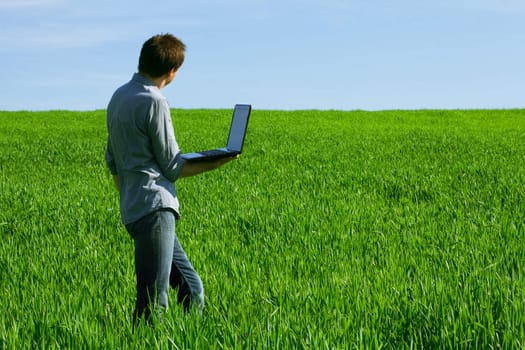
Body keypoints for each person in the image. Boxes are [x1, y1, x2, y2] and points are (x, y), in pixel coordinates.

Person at [105, 33, 237, 327]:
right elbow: (173, 166)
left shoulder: (118, 97)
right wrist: (217, 161)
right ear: (172, 71)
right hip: (155, 209)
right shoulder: (154, 101)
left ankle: (192, 340)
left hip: (134, 208)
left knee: (192, 288)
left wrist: (127, 191)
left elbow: (112, 157)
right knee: (154, 302)